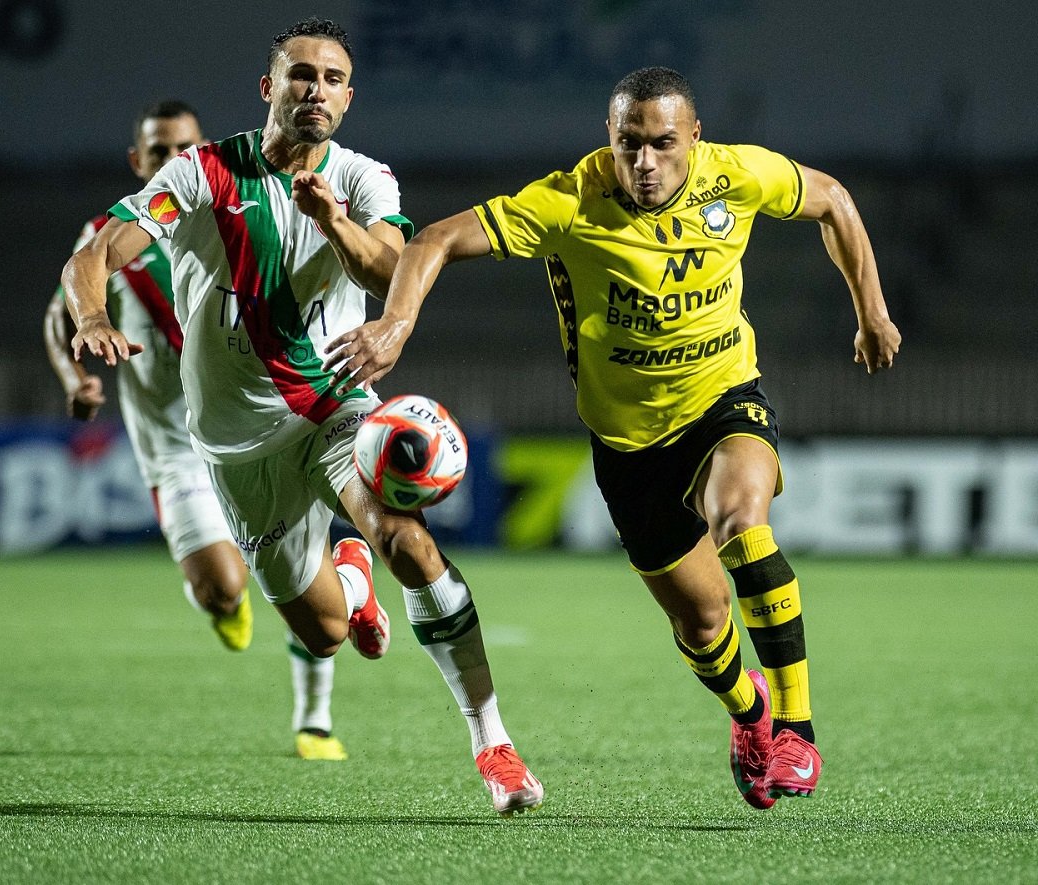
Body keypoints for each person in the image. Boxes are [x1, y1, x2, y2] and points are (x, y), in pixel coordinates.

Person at [326, 66, 901, 809]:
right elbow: (434, 238)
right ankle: (750, 713)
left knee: (742, 523)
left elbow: (835, 201)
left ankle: (797, 729)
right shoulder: (569, 201)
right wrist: (397, 321)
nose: (646, 162)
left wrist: (872, 312)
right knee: (702, 622)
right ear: (610, 137)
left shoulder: (738, 176)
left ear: (694, 137)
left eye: (664, 143)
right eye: (630, 143)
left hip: (724, 400)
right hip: (628, 447)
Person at [60, 18, 543, 816]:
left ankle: (492, 741)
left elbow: (394, 271)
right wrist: (89, 316)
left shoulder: (363, 180)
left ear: (348, 98)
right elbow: (94, 252)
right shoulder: (201, 172)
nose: (315, 89)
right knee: (322, 633)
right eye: (301, 75)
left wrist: (332, 221)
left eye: (331, 78)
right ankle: (350, 580)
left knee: (406, 538)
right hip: (235, 447)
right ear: (269, 88)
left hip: (332, 405)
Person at [46, 99, 347, 762]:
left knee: (306, 573)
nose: (166, 160)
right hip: (177, 448)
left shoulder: (234, 212)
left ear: (196, 150)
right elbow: (60, 315)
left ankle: (315, 718)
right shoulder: (109, 233)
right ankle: (221, 602)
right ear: (138, 162)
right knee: (223, 585)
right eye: (154, 152)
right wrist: (78, 378)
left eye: (178, 148)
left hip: (259, 425)